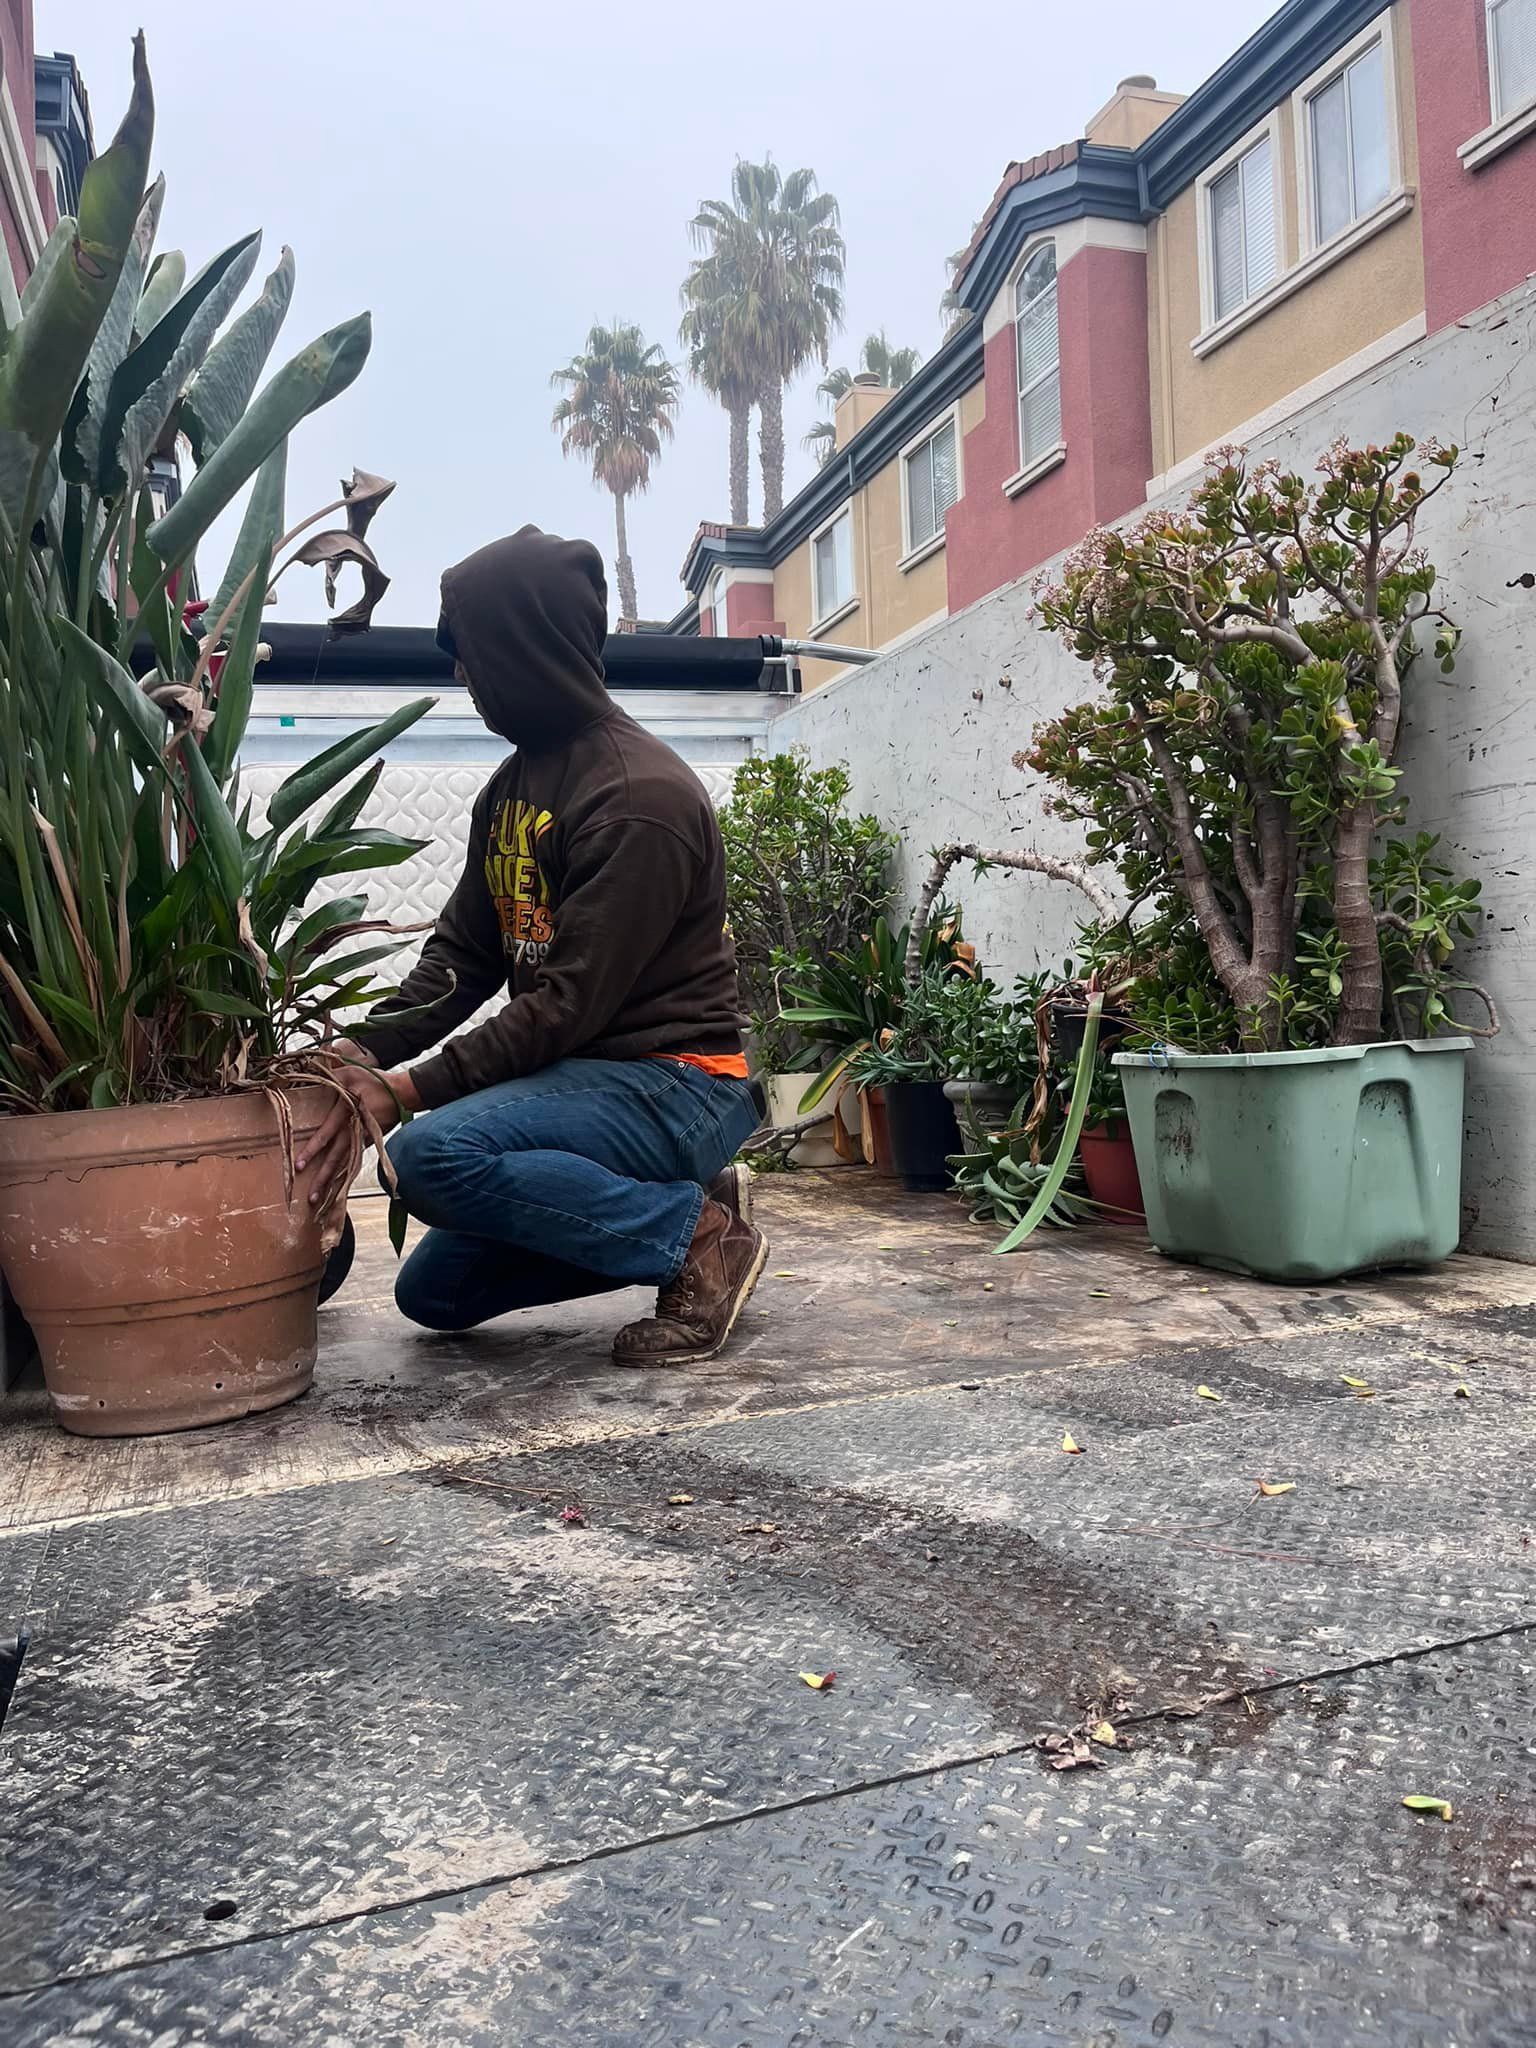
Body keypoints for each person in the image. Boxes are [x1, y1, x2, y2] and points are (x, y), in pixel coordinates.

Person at [297, 526, 767, 1366]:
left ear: (525, 648)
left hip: (679, 1082)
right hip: (590, 1082)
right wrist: (354, 1052)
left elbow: (564, 1007)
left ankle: (697, 1240)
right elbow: (461, 960)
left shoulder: (640, 799)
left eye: (471, 652)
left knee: (428, 1157)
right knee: (435, 1294)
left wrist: (402, 1090)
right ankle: (687, 1205)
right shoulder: (511, 788)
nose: (460, 673)